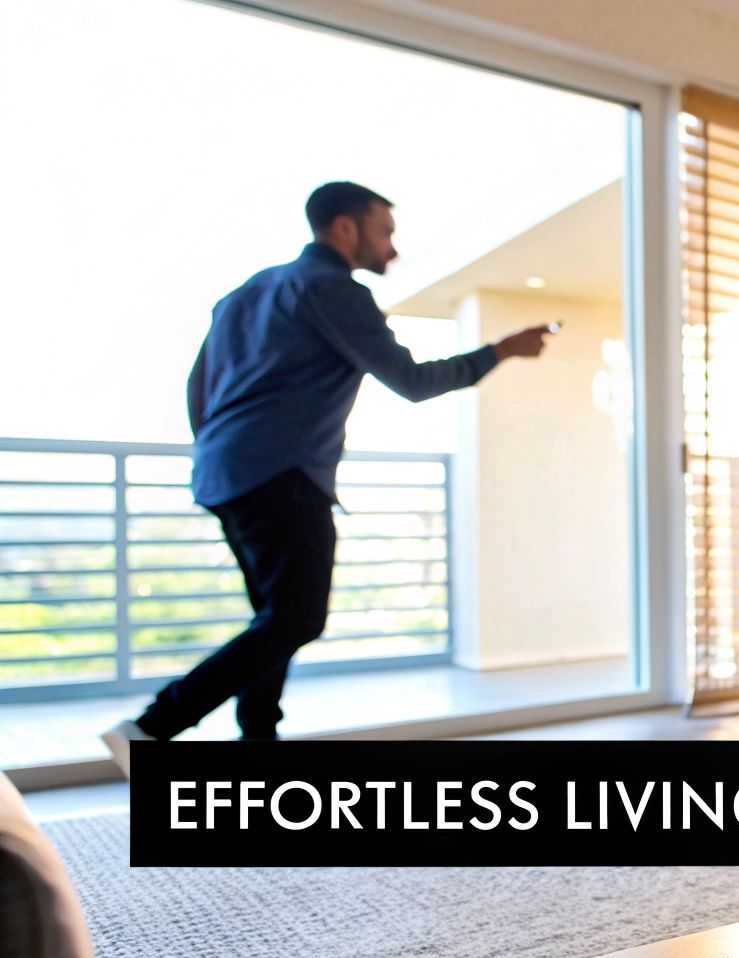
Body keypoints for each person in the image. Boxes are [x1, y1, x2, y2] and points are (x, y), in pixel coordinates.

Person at [100, 182, 550, 774]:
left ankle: (258, 741)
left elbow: (198, 388)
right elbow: (413, 382)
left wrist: (221, 448)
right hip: (282, 474)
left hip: (224, 473)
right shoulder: (334, 288)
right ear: (344, 227)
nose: (392, 249)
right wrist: (501, 350)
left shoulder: (244, 294)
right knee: (297, 618)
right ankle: (151, 728)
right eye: (385, 233)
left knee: (275, 620)